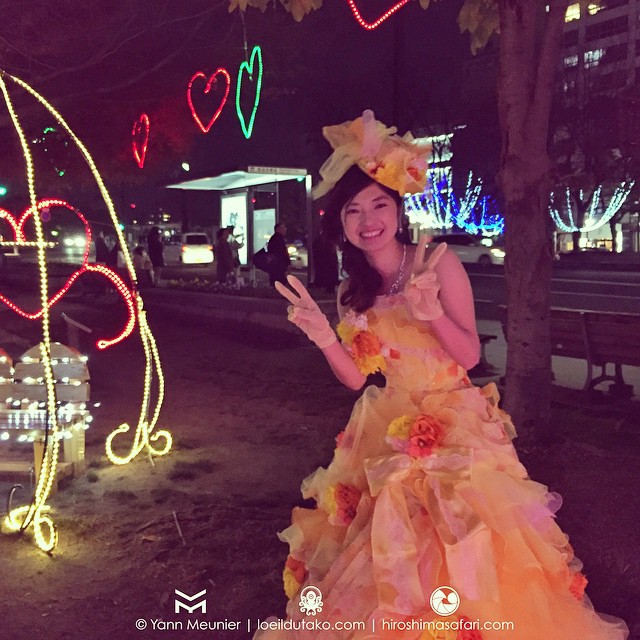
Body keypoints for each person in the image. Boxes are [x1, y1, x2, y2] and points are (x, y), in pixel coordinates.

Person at [259, 111, 628, 639]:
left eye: (379, 204)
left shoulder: (436, 263)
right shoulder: (350, 291)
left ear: (398, 208)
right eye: (353, 210)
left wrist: (430, 315)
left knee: (465, 539)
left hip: (454, 421)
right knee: (380, 546)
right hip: (386, 427)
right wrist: (322, 335)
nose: (368, 220)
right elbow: (357, 379)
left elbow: (472, 355)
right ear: (339, 224)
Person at [311, 225, 339, 294]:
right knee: (330, 280)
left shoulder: (318, 240)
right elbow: (332, 255)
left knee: (323, 278)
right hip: (329, 265)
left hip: (321, 265)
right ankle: (329, 291)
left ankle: (323, 289)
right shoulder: (329, 241)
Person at [267, 222, 291, 287]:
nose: (285, 229)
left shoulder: (273, 239)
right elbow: (283, 252)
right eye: (283, 228)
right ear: (278, 229)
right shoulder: (279, 239)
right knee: (281, 284)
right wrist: (287, 263)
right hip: (279, 267)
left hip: (275, 266)